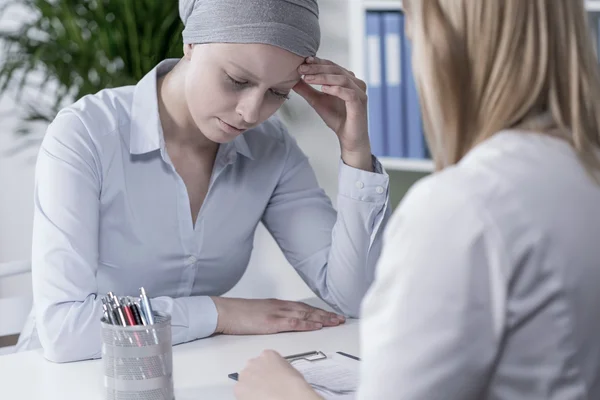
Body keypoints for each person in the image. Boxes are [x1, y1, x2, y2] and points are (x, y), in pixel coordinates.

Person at [234, 0, 600, 398]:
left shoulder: (464, 207)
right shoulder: (579, 172)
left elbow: (356, 298)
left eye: (413, 33)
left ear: (444, 41)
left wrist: (284, 392)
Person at [16, 0, 392, 363]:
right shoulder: (87, 134)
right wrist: (219, 313)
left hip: (191, 371)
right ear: (190, 42)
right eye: (236, 80)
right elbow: (65, 331)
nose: (250, 112)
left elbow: (354, 298)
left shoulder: (271, 150)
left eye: (277, 92)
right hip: (69, 377)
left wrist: (355, 148)